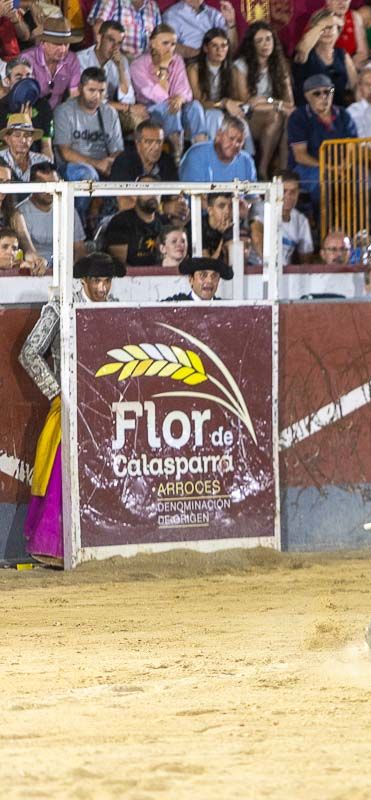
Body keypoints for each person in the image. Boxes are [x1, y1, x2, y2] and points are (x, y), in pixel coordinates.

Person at [18, 252, 125, 567]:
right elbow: (29, 353)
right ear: (84, 281)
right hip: (70, 405)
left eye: (107, 281)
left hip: (107, 408)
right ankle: (54, 548)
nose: (103, 288)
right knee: (61, 475)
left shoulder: (115, 309)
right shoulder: (61, 308)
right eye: (97, 281)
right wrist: (57, 393)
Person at [130, 23, 207, 156]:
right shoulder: (138, 65)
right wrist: (164, 67)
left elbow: (185, 91)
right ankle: (177, 155)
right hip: (150, 110)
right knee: (169, 107)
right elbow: (159, 96)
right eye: (165, 43)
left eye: (173, 44)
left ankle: (202, 153)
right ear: (152, 43)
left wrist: (180, 98)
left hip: (176, 105)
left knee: (195, 106)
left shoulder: (177, 60)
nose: (170, 48)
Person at [233, 22, 296, 178]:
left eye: (268, 39)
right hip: (247, 117)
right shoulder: (241, 65)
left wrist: (268, 101)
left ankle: (283, 171)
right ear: (252, 45)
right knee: (277, 114)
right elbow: (247, 102)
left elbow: (289, 104)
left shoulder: (280, 65)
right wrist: (277, 104)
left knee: (287, 117)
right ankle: (263, 169)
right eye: (259, 41)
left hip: (273, 114)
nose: (265, 44)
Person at [287, 73, 358, 205]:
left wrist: (345, 165)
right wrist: (330, 168)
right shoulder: (298, 117)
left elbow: (352, 145)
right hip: (308, 167)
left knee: (365, 178)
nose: (324, 97)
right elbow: (300, 155)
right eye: (317, 93)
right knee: (325, 180)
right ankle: (325, 223)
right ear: (307, 96)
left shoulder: (343, 115)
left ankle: (363, 222)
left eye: (328, 91)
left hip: (341, 165)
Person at [52, 67, 124, 193]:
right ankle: (76, 213)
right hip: (72, 168)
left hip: (103, 167)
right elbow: (65, 152)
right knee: (87, 175)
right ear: (80, 88)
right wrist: (97, 164)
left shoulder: (110, 113)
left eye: (101, 91)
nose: (97, 96)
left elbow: (117, 150)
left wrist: (110, 163)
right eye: (91, 90)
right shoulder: (64, 111)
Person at [76, 20, 147, 133]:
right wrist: (127, 108)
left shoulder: (121, 61)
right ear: (99, 38)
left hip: (110, 109)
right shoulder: (80, 59)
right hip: (85, 109)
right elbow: (89, 99)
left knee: (142, 119)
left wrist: (120, 69)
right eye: (111, 40)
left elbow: (128, 99)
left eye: (119, 43)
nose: (115, 47)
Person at [186, 26, 251, 147]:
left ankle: (244, 159)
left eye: (223, 46)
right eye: (214, 45)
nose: (219, 50)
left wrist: (234, 105)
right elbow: (199, 101)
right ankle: (211, 156)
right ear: (206, 48)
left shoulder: (233, 69)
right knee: (214, 115)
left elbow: (241, 99)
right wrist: (223, 103)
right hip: (202, 114)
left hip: (225, 112)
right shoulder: (194, 69)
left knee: (240, 121)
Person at [17, 162, 87, 266]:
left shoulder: (68, 209)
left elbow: (79, 248)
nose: (50, 190)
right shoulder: (20, 212)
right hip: (34, 270)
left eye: (54, 184)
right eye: (44, 184)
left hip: (65, 271)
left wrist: (75, 275)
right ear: (32, 185)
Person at [294, 8, 358, 107]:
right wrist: (324, 22)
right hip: (310, 112)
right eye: (323, 28)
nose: (327, 31)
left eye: (330, 27)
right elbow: (302, 48)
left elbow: (356, 87)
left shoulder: (342, 55)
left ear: (338, 31)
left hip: (338, 112)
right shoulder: (306, 54)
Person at [21, 16, 83, 110]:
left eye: (66, 44)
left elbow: (74, 95)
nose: (62, 49)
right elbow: (22, 99)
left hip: (58, 114)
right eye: (57, 44)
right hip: (29, 112)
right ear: (43, 43)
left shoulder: (72, 60)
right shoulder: (27, 59)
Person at [104, 177, 166, 265]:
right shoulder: (120, 222)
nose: (153, 195)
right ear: (135, 194)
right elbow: (120, 266)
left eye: (157, 190)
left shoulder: (164, 222)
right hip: (131, 277)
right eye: (147, 189)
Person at [179, 113, 257, 181]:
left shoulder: (247, 161)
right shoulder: (196, 155)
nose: (235, 144)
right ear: (218, 135)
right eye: (231, 138)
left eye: (239, 141)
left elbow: (254, 196)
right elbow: (192, 195)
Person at [110, 119, 179, 183]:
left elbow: (174, 194)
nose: (156, 147)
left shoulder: (167, 162)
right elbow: (123, 195)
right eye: (149, 142)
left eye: (159, 142)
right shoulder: (123, 162)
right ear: (138, 144)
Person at [162, 0, 237, 60]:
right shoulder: (172, 15)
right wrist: (203, 55)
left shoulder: (215, 14)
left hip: (218, 63)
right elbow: (170, 46)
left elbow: (232, 47)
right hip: (191, 64)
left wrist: (231, 23)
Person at [88, 0, 162, 57]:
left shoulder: (153, 5)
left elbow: (159, 36)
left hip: (144, 63)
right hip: (116, 58)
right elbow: (98, 27)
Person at [0, 112, 51, 183]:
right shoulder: (1, 158)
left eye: (27, 135)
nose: (23, 140)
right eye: (17, 135)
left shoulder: (43, 161)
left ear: (32, 139)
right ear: (7, 139)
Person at [163, 255, 232, 300]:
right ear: (191, 280)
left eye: (214, 276)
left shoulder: (225, 308)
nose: (209, 280)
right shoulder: (175, 304)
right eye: (203, 275)